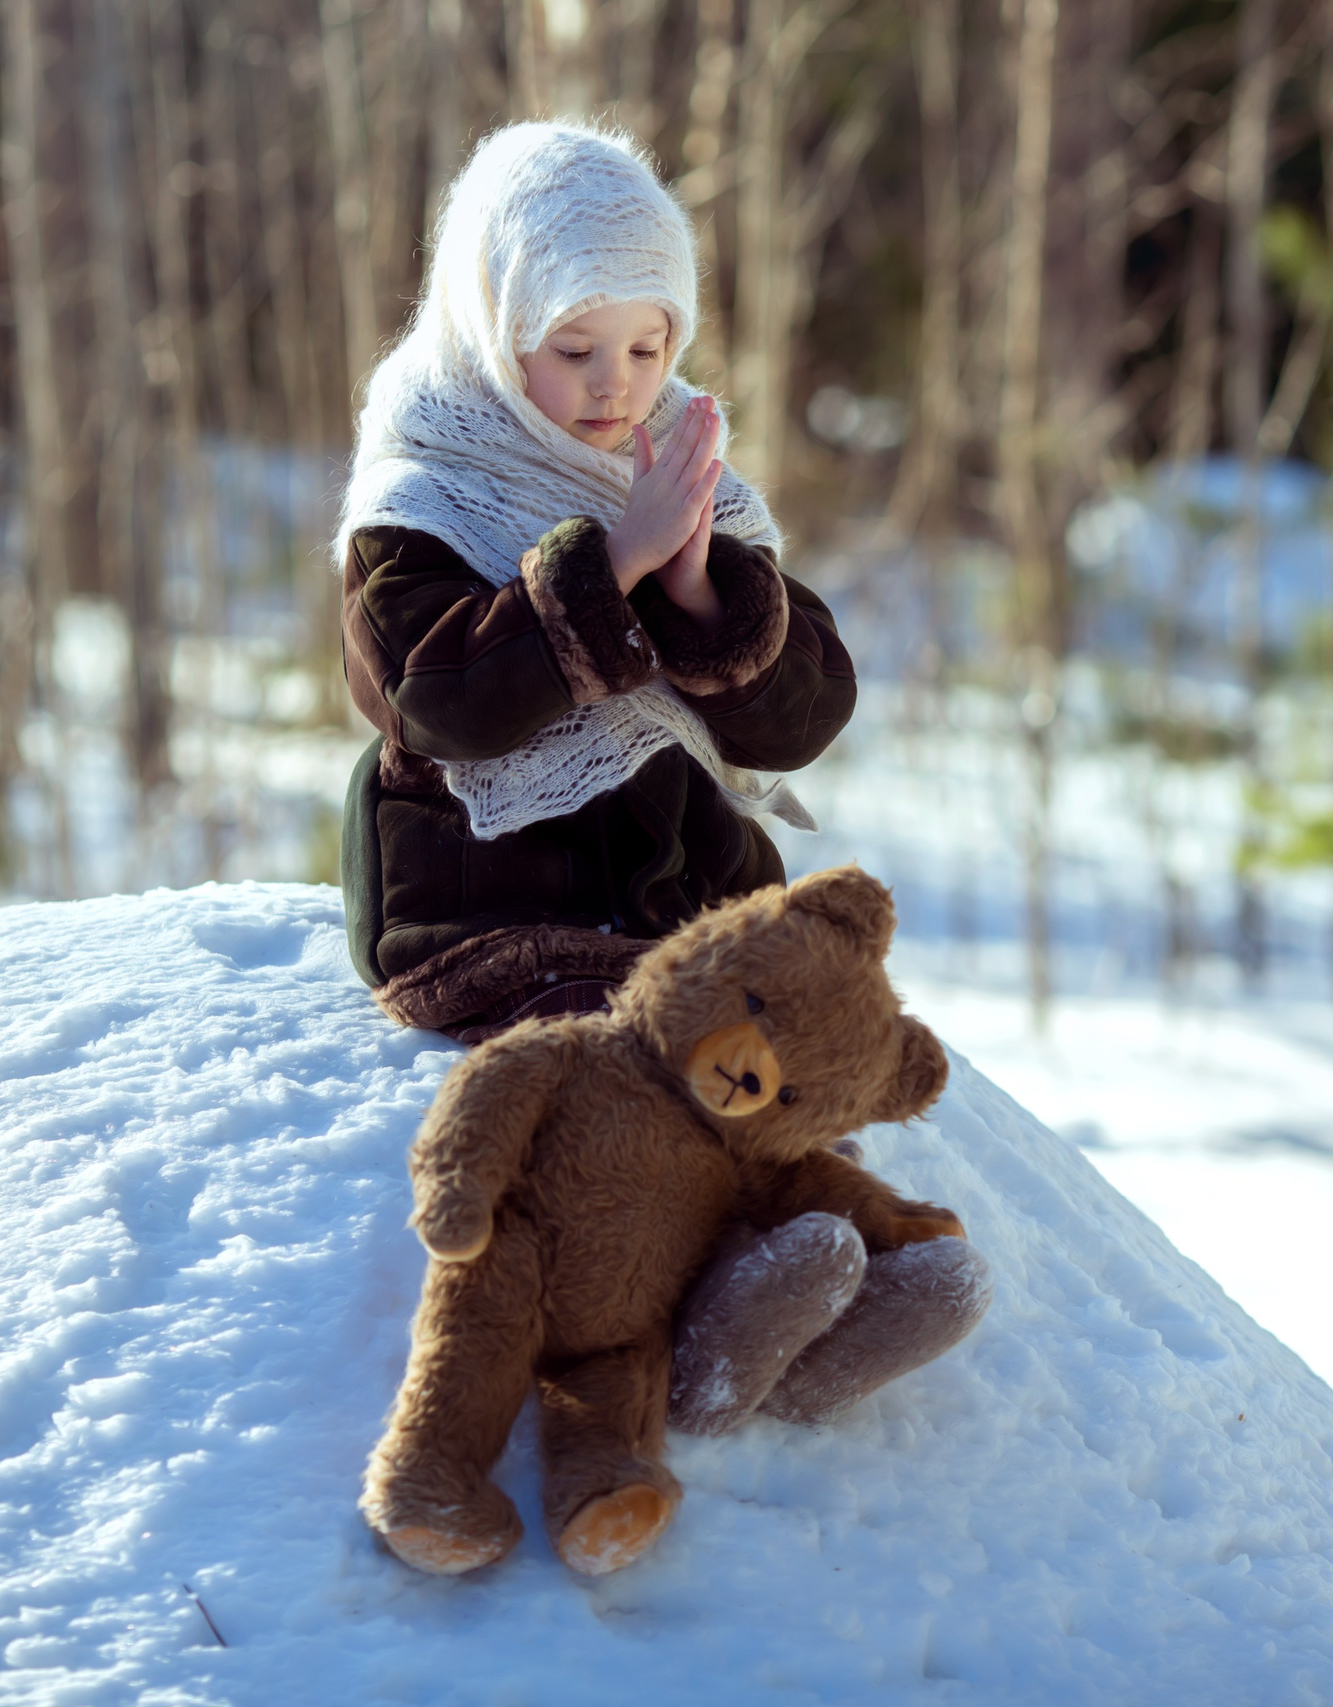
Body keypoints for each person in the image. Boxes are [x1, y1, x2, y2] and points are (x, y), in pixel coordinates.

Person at [335, 123, 987, 1439]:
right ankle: (682, 1330)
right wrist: (602, 568)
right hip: (497, 897)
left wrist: (696, 587)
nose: (614, 387)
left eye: (648, 347)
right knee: (626, 1079)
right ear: (490, 323)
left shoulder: (688, 478)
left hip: (679, 894)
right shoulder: (427, 488)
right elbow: (436, 699)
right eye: (573, 350)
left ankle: (836, 1269)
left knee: (793, 1031)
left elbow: (801, 719)